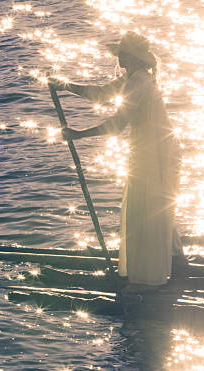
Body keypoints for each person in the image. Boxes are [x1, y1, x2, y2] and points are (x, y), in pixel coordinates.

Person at [49, 31, 183, 289]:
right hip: (148, 150)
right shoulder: (132, 78)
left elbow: (117, 124)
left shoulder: (139, 83)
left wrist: (79, 134)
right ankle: (173, 266)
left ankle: (154, 276)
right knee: (154, 207)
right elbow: (100, 94)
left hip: (157, 154)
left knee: (151, 208)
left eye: (121, 55)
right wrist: (66, 86)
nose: (119, 59)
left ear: (129, 57)